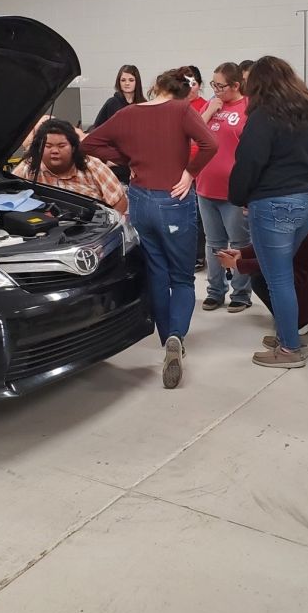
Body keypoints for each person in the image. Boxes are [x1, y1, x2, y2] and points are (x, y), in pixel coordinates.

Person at [82, 67, 218, 389]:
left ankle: (164, 339)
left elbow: (89, 143)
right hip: (173, 199)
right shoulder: (182, 110)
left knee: (156, 270)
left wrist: (127, 159)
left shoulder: (128, 113)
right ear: (183, 93)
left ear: (156, 86)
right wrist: (190, 173)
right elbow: (209, 144)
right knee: (182, 276)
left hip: (140, 200)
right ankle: (176, 336)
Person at [229, 56, 308, 369]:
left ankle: (288, 350)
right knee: (282, 274)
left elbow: (249, 162)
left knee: (278, 279)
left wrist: (240, 196)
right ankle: (288, 336)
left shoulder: (263, 115)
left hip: (274, 205)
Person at [196, 62, 252, 314]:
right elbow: (192, 134)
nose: (216, 90)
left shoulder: (248, 106)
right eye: (214, 85)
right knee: (213, 242)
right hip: (205, 186)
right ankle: (215, 291)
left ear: (236, 85)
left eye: (221, 86)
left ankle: (241, 293)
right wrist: (210, 110)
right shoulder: (211, 104)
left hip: (233, 189)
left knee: (238, 242)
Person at [217, 226, 308, 343]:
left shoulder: (284, 223)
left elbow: (275, 260)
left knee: (263, 279)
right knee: (261, 277)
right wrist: (242, 253)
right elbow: (269, 246)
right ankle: (304, 316)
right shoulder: (288, 219)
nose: (244, 211)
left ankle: (300, 321)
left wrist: (237, 264)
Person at [13, 118, 127, 213]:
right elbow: (10, 197)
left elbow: (119, 202)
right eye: (48, 146)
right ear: (39, 147)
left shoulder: (93, 166)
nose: (55, 151)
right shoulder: (28, 168)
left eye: (61, 146)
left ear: (73, 148)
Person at [93, 65, 145, 184]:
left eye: (131, 80)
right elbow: (96, 132)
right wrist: (105, 159)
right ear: (118, 82)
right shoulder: (112, 103)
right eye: (123, 80)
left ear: (137, 82)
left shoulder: (143, 104)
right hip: (117, 165)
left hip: (138, 164)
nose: (127, 83)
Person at [186, 65, 207, 270]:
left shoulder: (206, 105)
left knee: (199, 214)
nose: (189, 87)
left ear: (199, 85)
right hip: (179, 167)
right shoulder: (175, 105)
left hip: (200, 168)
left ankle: (199, 254)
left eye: (193, 83)